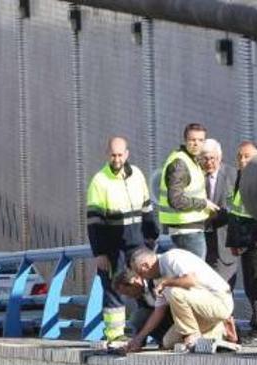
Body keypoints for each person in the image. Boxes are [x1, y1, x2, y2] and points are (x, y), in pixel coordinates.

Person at [86, 136, 159, 344]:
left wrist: (152, 238)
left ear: (127, 154)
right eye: (113, 155)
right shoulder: (99, 181)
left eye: (120, 154)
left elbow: (147, 209)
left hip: (138, 244)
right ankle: (115, 335)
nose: (116, 159)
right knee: (113, 289)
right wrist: (99, 252)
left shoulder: (137, 175)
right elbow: (94, 222)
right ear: (106, 154)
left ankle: (146, 332)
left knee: (145, 287)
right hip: (112, 247)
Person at [127, 247, 234, 351]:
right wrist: (138, 339)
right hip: (201, 313)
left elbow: (191, 281)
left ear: (145, 266)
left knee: (175, 292)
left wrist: (167, 282)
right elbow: (158, 312)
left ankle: (192, 334)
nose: (142, 278)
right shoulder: (157, 279)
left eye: (140, 273)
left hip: (219, 301)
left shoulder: (172, 257)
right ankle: (220, 331)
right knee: (168, 342)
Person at [158, 123, 217, 260]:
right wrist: (203, 204)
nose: (196, 144)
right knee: (194, 276)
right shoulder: (180, 163)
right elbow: (175, 200)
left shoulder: (190, 160)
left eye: (201, 140)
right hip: (186, 231)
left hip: (188, 229)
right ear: (185, 140)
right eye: (192, 140)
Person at [226, 141, 257, 346]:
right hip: (246, 243)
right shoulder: (242, 178)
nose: (242, 160)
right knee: (250, 287)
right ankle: (256, 324)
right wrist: (234, 241)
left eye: (247, 156)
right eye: (240, 156)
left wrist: (254, 240)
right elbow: (237, 213)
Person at [199, 139, 238, 287]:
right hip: (202, 243)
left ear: (219, 157)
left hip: (224, 244)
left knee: (223, 290)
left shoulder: (232, 176)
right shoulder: (196, 177)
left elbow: (234, 208)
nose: (208, 162)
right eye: (204, 158)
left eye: (212, 158)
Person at [113, 270, 172, 351]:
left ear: (134, 281)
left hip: (176, 320)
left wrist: (140, 337)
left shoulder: (155, 283)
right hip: (162, 324)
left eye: (127, 292)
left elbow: (160, 311)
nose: (129, 297)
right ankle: (133, 343)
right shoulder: (139, 295)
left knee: (139, 316)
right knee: (137, 318)